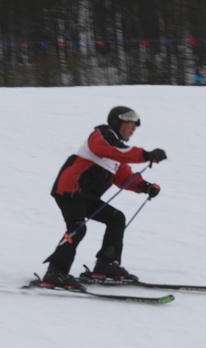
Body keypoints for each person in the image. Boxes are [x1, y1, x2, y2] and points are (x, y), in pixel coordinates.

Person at [41, 106, 167, 290]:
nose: (133, 129)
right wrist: (145, 155)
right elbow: (115, 150)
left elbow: (123, 176)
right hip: (70, 190)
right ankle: (55, 272)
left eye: (135, 126)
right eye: (130, 124)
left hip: (87, 197)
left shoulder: (116, 151)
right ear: (117, 122)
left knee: (116, 218)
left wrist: (144, 186)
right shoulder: (101, 136)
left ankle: (106, 264)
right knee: (78, 228)